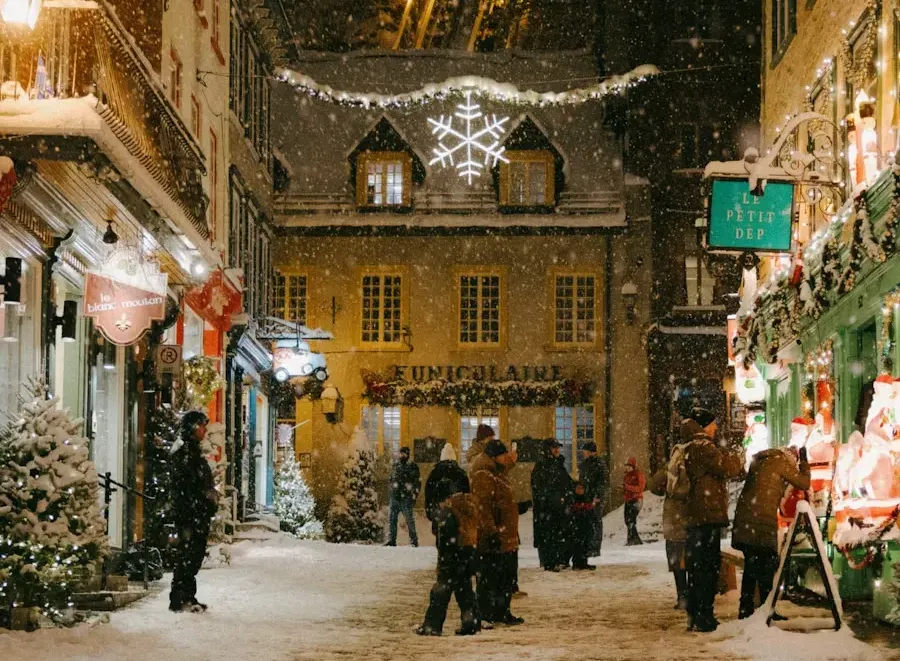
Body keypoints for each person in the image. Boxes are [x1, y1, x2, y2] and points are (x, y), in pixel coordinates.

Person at [732, 445, 811, 619]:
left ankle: (747, 610)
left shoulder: (762, 461)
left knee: (752, 566)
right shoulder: (780, 462)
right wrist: (804, 464)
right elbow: (804, 483)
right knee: (767, 564)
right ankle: (765, 610)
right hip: (759, 522)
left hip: (746, 520)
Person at [683, 408, 744, 632]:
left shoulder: (689, 446)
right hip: (706, 516)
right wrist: (738, 456)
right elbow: (729, 468)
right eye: (713, 424)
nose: (716, 428)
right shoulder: (704, 447)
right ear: (704, 425)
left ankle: (694, 613)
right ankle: (704, 616)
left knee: (697, 567)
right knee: (706, 568)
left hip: (695, 516)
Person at [416, 465, 479, 636]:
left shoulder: (448, 514)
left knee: (440, 594)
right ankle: (471, 622)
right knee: (465, 591)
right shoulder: (464, 507)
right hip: (465, 556)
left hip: (451, 560)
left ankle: (432, 625)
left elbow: (446, 543)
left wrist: (444, 564)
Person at [648, 420, 700, 611]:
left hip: (673, 518)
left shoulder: (673, 460)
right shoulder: (696, 456)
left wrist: (667, 487)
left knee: (677, 562)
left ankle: (682, 596)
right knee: (693, 560)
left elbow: (653, 485)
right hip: (691, 517)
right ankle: (693, 596)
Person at [471, 439, 524, 626]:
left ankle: (502, 611)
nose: (506, 458)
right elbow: (483, 507)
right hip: (493, 537)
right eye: (503, 455)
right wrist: (491, 532)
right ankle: (486, 614)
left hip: (505, 536)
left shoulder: (497, 472)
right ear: (494, 457)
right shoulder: (484, 475)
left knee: (505, 578)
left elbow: (501, 500)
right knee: (489, 579)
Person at [169, 411, 217, 613]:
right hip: (190, 514)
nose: (204, 430)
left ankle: (186, 596)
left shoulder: (191, 452)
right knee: (188, 556)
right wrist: (201, 502)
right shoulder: (186, 454)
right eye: (201, 426)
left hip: (195, 513)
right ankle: (181, 598)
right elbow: (187, 485)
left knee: (192, 556)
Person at [531, 439, 574, 571]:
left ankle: (558, 560)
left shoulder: (557, 464)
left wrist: (576, 488)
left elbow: (566, 482)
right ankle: (549, 562)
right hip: (547, 509)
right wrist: (555, 498)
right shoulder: (542, 466)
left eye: (558, 447)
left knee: (559, 534)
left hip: (557, 508)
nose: (557, 450)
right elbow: (541, 488)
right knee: (548, 535)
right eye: (554, 448)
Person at [425, 443, 470, 536]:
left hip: (439, 512)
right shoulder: (461, 473)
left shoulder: (435, 473)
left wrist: (430, 512)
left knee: (441, 538)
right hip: (457, 513)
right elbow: (467, 494)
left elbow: (428, 493)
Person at [386, 446, 421, 547]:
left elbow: (417, 483)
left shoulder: (413, 466)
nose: (401, 455)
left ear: (407, 454)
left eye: (403, 454)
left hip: (406, 498)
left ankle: (414, 541)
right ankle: (392, 540)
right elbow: (391, 479)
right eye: (400, 453)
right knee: (392, 519)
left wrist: (414, 495)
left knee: (409, 520)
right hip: (395, 497)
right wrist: (391, 490)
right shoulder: (396, 465)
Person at [580, 441, 609, 559]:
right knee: (588, 522)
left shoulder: (599, 464)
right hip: (586, 497)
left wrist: (598, 496)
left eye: (585, 451)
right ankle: (589, 547)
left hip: (595, 498)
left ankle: (595, 548)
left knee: (595, 522)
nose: (583, 453)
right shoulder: (585, 464)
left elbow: (603, 482)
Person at [568, 482, 597, 570]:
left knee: (585, 544)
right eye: (578, 488)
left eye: (582, 488)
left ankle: (584, 562)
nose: (580, 490)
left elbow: (590, 511)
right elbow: (573, 510)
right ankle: (576, 563)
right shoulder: (572, 498)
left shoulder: (586, 498)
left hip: (585, 525)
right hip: (576, 525)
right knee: (578, 545)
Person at [623, 457, 646, 546]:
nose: (627, 468)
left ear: (633, 467)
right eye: (627, 466)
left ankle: (634, 540)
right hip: (628, 500)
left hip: (636, 500)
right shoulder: (626, 475)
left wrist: (628, 487)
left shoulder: (639, 474)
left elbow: (640, 488)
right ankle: (632, 539)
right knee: (627, 520)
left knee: (631, 520)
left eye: (629, 466)